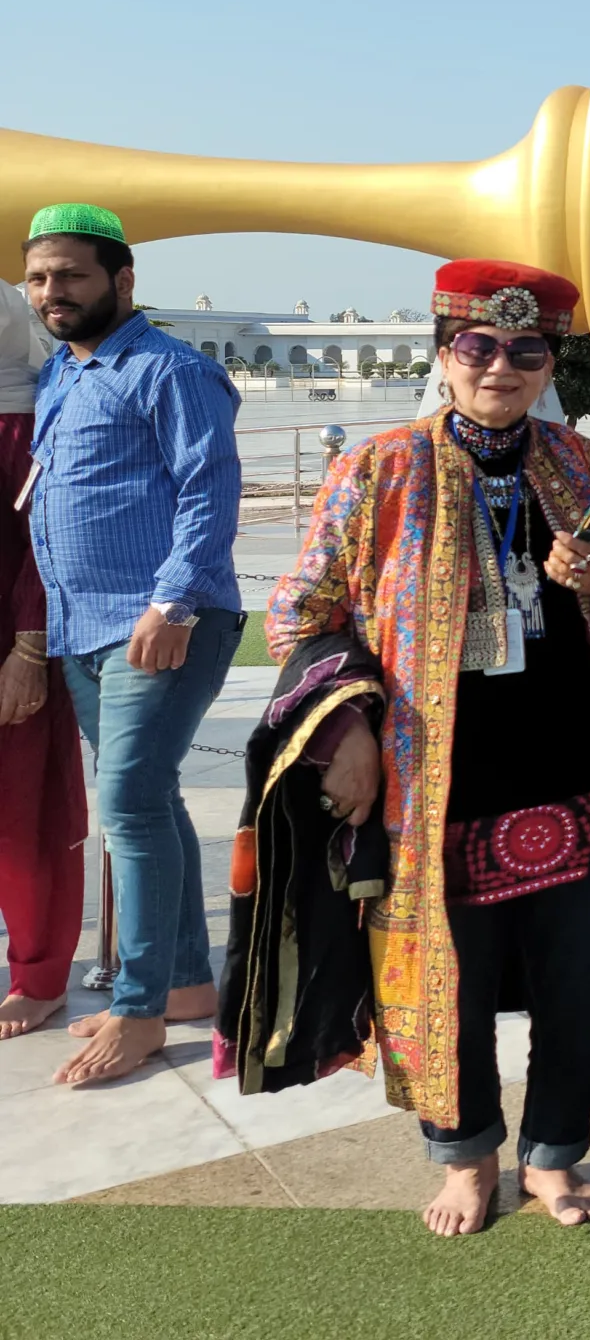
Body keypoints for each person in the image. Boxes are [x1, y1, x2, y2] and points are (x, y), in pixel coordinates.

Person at [268, 259, 590, 1235]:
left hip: (571, 782)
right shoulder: (381, 468)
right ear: (445, 353)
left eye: (528, 350)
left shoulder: (580, 466)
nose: (502, 366)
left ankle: (552, 1159)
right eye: (479, 346)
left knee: (574, 992)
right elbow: (299, 612)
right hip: (431, 785)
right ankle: (466, 1158)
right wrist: (345, 729)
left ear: (548, 361)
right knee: (446, 988)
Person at [22, 203, 244, 1087]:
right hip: (81, 626)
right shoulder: (64, 375)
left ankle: (141, 1008)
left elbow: (209, 489)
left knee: (126, 804)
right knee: (149, 800)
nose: (52, 293)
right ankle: (188, 980)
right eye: (39, 278)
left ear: (121, 281)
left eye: (70, 275)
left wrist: (173, 603)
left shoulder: (168, 370)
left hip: (155, 622)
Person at [0, 274, 85, 1041]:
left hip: (10, 645)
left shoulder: (21, 426)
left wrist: (29, 646)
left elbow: (43, 539)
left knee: (19, 817)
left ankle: (39, 970)